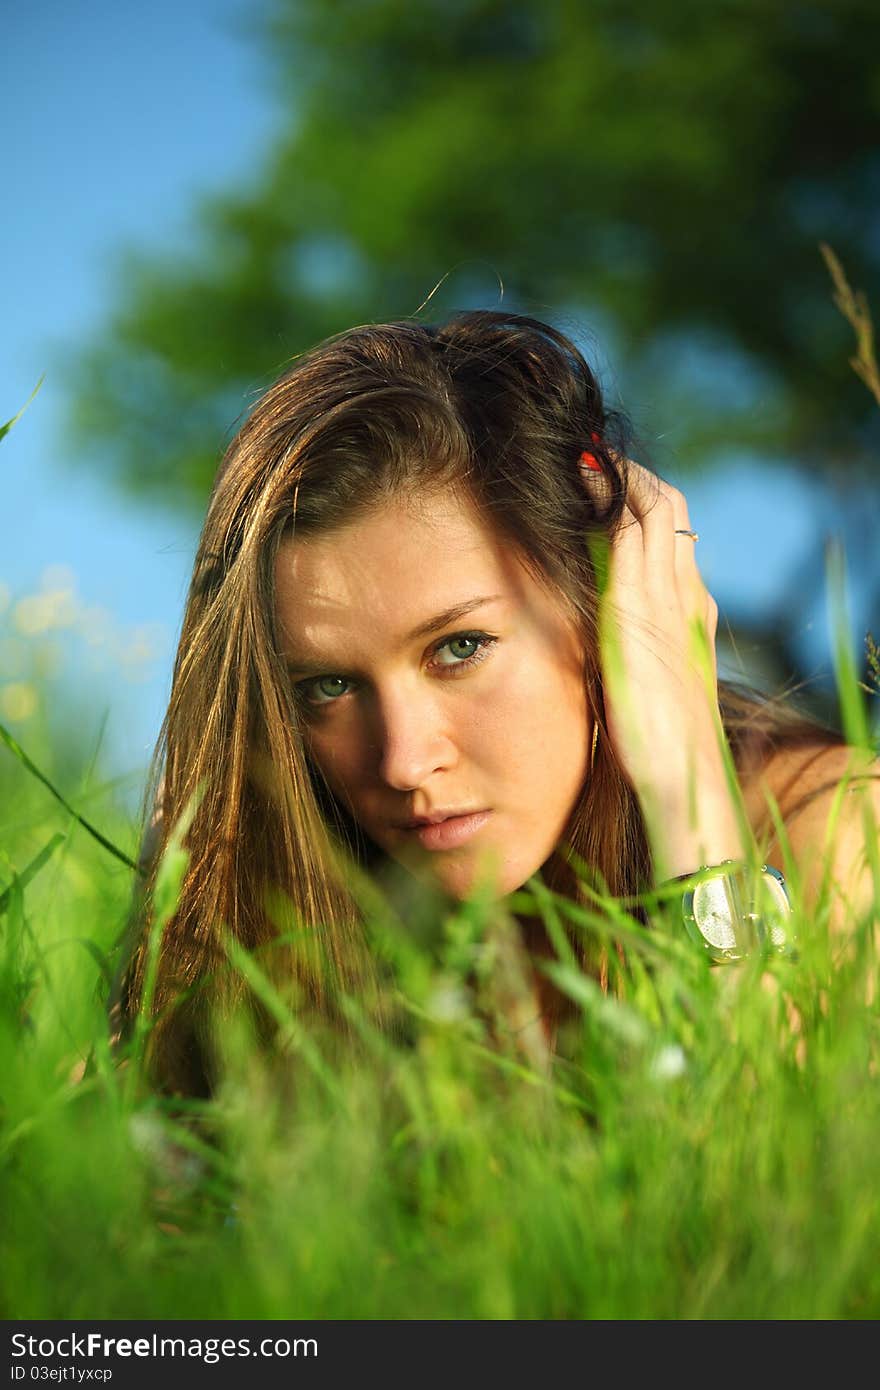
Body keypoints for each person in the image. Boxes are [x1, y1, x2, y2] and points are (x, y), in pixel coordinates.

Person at [111, 309, 880, 1097]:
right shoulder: (310, 899)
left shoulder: (842, 830)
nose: (406, 761)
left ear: (602, 602)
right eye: (329, 687)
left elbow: (768, 1192)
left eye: (459, 648)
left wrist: (688, 796)